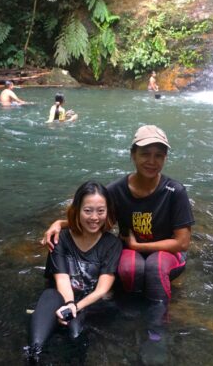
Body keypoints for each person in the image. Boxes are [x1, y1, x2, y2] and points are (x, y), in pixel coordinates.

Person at [42, 125, 194, 344]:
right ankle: (131, 316)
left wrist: (138, 246)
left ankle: (156, 327)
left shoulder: (175, 191)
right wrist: (60, 223)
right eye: (145, 154)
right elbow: (97, 220)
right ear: (133, 155)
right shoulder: (116, 190)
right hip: (131, 252)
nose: (151, 161)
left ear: (165, 158)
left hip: (168, 254)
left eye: (158, 156)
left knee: (154, 266)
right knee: (129, 268)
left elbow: (183, 243)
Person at [27, 181, 122, 363]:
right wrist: (69, 303)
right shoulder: (61, 238)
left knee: (75, 333)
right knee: (48, 297)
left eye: (100, 211)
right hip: (62, 297)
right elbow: (61, 278)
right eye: (88, 210)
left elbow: (102, 289)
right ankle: (33, 356)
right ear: (77, 210)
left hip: (91, 302)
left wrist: (75, 308)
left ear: (107, 212)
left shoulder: (112, 245)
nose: (94, 217)